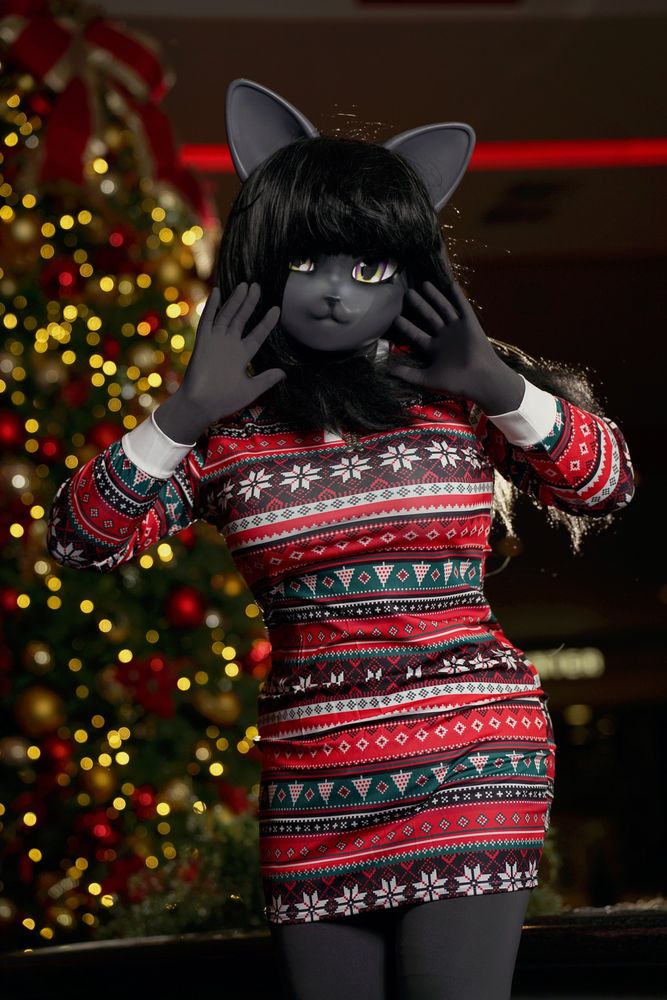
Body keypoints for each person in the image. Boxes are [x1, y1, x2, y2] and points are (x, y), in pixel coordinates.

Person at [46, 79, 635, 999]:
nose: (333, 292)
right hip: (311, 777)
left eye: (369, 268)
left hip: (470, 756)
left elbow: (603, 484)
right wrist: (183, 414)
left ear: (412, 273)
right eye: (305, 261)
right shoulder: (226, 434)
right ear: (260, 261)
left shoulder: (453, 395)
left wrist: (496, 384)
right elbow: (82, 540)